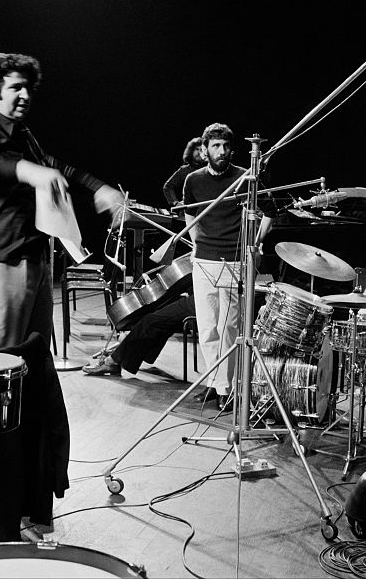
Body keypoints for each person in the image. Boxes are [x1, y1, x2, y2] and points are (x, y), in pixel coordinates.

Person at [0, 52, 123, 352]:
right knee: (1, 358)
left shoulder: (23, 136)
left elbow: (57, 168)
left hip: (31, 256)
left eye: (29, 87)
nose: (26, 95)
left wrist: (99, 189)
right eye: (16, 87)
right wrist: (25, 170)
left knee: (34, 355)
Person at [183, 123, 273, 407]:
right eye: (215, 146)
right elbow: (190, 214)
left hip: (233, 261)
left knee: (229, 328)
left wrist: (256, 242)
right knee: (208, 327)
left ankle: (228, 389)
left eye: (225, 146)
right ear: (205, 149)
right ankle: (215, 382)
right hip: (203, 261)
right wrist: (197, 243)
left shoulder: (246, 178)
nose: (220, 151)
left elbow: (270, 213)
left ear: (232, 149)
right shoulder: (193, 180)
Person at [83, 293, 197, 377]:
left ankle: (113, 361)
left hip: (200, 300)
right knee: (157, 316)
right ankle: (134, 356)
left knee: (150, 321)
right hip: (198, 294)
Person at [163, 137, 207, 211]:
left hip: (209, 213)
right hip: (188, 214)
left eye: (202, 150)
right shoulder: (185, 170)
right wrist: (176, 203)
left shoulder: (212, 169)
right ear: (191, 151)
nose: (199, 152)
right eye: (197, 149)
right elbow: (168, 187)